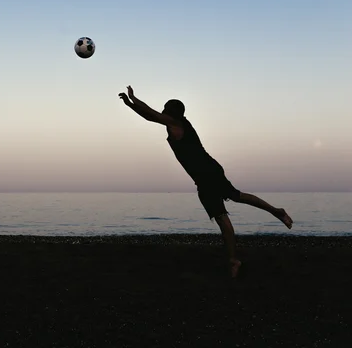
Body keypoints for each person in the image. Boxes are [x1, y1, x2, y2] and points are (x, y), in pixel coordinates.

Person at [118, 86, 292, 278]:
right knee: (236, 198)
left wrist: (133, 98)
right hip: (207, 173)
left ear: (171, 112)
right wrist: (130, 105)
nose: (162, 111)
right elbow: (150, 117)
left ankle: (234, 260)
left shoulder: (178, 123)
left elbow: (151, 113)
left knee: (222, 216)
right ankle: (276, 212)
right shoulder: (172, 124)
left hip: (207, 173)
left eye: (165, 108)